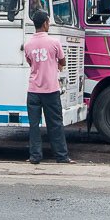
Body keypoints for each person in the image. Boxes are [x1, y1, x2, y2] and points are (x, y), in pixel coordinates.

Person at [24, 10, 74, 165]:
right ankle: (61, 156)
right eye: (48, 22)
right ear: (45, 23)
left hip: (33, 90)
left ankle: (35, 156)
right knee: (55, 124)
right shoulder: (54, 42)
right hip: (51, 90)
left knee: (34, 125)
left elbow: (30, 63)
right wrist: (55, 65)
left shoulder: (28, 44)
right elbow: (63, 61)